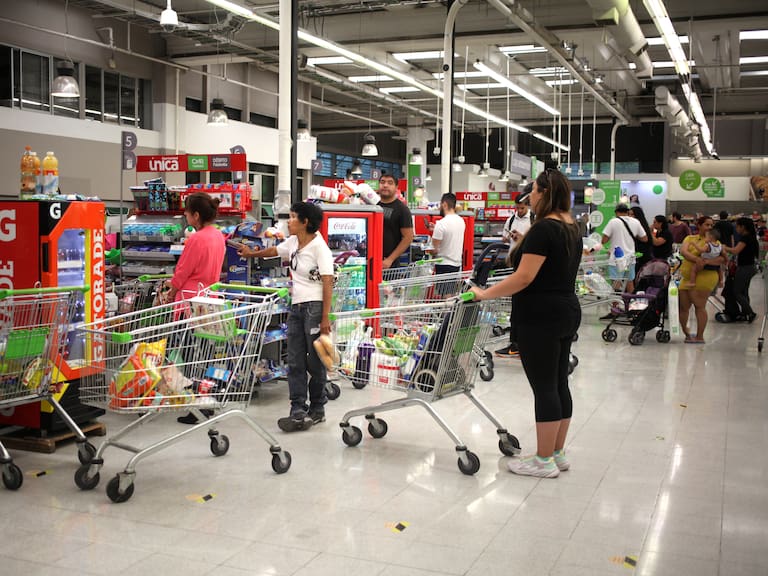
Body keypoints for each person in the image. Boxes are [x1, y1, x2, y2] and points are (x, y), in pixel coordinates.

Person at [469, 169, 581, 478]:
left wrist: (484, 294)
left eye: (532, 191)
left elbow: (524, 277)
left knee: (544, 387)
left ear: (544, 193)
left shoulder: (544, 228)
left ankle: (543, 460)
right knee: (559, 383)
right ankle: (556, 453)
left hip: (541, 314)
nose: (529, 196)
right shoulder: (571, 225)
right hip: (565, 309)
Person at [238, 202, 334, 431]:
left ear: (305, 222)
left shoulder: (320, 247)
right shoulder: (293, 242)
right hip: (297, 308)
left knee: (315, 360)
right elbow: (274, 251)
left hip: (314, 307)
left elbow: (328, 281)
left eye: (292, 217)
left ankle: (318, 407)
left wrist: (325, 319)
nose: (288, 222)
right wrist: (253, 253)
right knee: (294, 360)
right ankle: (298, 408)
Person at [169, 193, 226, 425]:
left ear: (196, 215)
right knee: (203, 352)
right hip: (208, 299)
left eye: (187, 212)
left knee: (187, 354)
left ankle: (195, 405)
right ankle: (206, 399)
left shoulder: (196, 238)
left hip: (189, 302)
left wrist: (171, 291)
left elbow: (182, 271)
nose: (185, 215)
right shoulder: (218, 236)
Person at [496, 187, 533, 358]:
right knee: (516, 303)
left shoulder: (533, 220)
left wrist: (522, 238)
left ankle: (518, 343)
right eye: (517, 208)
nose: (519, 211)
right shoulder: (511, 220)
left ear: (528, 206)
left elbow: (535, 242)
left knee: (521, 304)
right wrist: (508, 236)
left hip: (527, 265)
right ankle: (517, 342)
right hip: (513, 263)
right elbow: (504, 238)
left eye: (522, 208)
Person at [678, 216, 721, 343]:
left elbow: (722, 259)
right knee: (683, 307)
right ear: (699, 225)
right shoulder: (690, 238)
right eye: (707, 225)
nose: (709, 228)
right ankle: (686, 333)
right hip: (686, 277)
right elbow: (683, 251)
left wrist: (706, 261)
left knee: (699, 306)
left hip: (704, 277)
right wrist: (697, 259)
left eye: (711, 225)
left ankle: (700, 336)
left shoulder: (714, 242)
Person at [601, 203, 648, 294]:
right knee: (630, 283)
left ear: (616, 212)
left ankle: (615, 306)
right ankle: (631, 305)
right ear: (627, 212)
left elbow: (604, 240)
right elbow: (645, 238)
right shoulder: (635, 222)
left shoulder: (613, 221)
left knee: (616, 284)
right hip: (630, 259)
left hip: (616, 260)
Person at [722, 217, 760, 323]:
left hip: (744, 268)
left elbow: (735, 251)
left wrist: (724, 247)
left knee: (737, 292)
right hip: (750, 267)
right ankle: (745, 314)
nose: (736, 228)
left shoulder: (745, 238)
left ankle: (750, 313)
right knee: (744, 292)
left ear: (743, 227)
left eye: (737, 226)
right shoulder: (752, 237)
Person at [378, 174, 413, 270]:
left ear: (396, 187)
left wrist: (390, 259)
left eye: (390, 183)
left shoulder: (402, 209)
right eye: (382, 182)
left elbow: (408, 237)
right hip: (370, 259)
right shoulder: (373, 205)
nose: (385, 185)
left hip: (389, 264)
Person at [428, 192, 465, 275]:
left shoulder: (441, 224)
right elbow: (451, 233)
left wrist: (426, 248)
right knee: (451, 288)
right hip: (457, 265)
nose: (439, 207)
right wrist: (435, 229)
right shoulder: (461, 221)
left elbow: (434, 250)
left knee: (442, 288)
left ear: (444, 204)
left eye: (440, 204)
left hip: (443, 265)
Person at [628, 206, 653, 272]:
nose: (630, 216)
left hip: (642, 257)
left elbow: (645, 239)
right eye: (629, 214)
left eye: (632, 214)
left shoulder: (641, 226)